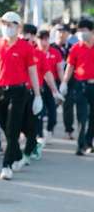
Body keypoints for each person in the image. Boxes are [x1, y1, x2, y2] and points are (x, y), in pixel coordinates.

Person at [0, 11, 43, 181]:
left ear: (18, 27)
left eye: (10, 24)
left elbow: (33, 72)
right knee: (4, 126)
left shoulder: (26, 47)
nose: (7, 28)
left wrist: (37, 95)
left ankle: (6, 165)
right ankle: (18, 154)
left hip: (19, 92)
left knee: (13, 128)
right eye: (4, 24)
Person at [20, 24, 62, 163]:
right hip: (17, 92)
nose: (27, 38)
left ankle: (31, 146)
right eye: (25, 35)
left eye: (30, 35)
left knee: (33, 123)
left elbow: (48, 73)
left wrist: (55, 90)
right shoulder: (14, 51)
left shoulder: (39, 55)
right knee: (16, 123)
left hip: (34, 92)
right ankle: (22, 146)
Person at [59, 18, 94, 155]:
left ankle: (89, 141)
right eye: (79, 30)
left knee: (93, 117)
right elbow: (70, 66)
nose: (81, 33)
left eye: (84, 30)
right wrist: (64, 82)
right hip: (81, 85)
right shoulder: (76, 48)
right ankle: (80, 145)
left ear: (91, 31)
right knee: (82, 116)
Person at [36, 29, 64, 141]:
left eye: (46, 39)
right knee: (39, 112)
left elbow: (60, 69)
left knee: (52, 113)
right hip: (38, 85)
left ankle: (49, 130)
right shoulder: (33, 52)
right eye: (41, 39)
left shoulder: (55, 52)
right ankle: (39, 135)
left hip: (52, 85)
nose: (43, 42)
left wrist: (63, 83)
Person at [53, 24, 76, 139]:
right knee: (51, 106)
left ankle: (69, 130)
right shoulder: (51, 47)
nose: (61, 34)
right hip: (52, 81)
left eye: (63, 31)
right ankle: (47, 130)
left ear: (68, 34)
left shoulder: (72, 48)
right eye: (58, 31)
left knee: (68, 105)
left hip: (68, 81)